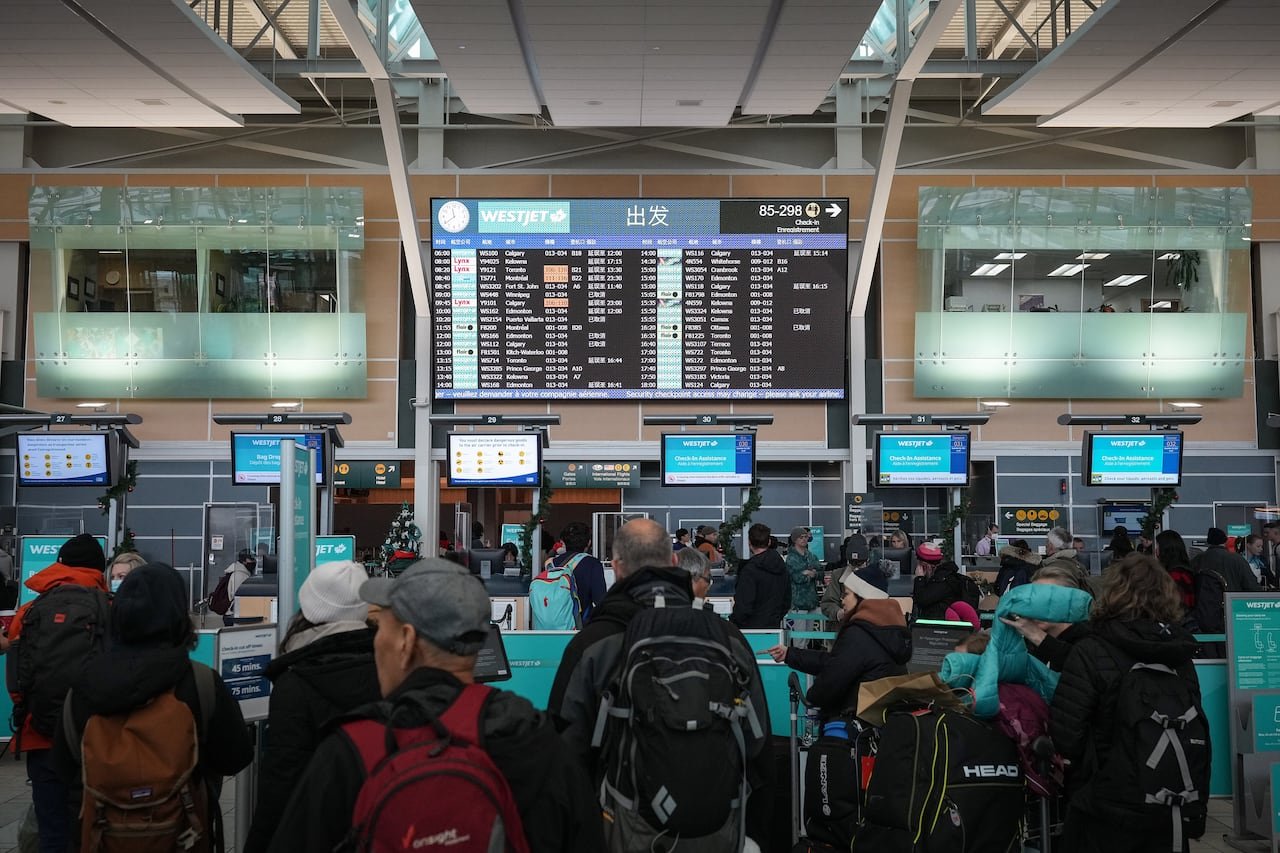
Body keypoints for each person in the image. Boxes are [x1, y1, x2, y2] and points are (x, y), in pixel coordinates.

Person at [268, 559, 604, 852]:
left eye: (381, 627)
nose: (375, 641)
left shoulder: (351, 751)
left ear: (407, 640)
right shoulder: (538, 740)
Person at [548, 519, 772, 848]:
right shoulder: (726, 638)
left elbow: (564, 758)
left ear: (617, 568)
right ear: (673, 563)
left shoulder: (594, 644)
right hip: (718, 829)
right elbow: (759, 747)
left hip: (628, 829)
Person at [53, 562, 253, 853]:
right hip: (182, 836)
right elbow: (236, 756)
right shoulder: (200, 684)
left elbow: (63, 767)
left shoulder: (81, 689)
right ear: (177, 615)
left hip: (101, 837)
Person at [1050, 554, 1205, 852]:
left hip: (1104, 802)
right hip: (1166, 799)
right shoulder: (1180, 653)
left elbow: (1067, 734)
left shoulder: (1092, 648)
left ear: (1112, 592)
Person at [244, 561, 381, 853]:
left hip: (316, 830)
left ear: (309, 607)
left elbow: (282, 780)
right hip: (380, 822)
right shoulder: (389, 667)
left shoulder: (295, 682)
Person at [5, 533, 108, 853]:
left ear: (59, 564)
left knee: (52, 831)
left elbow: (16, 675)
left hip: (41, 735)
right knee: (99, 828)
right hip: (99, 741)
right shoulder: (110, 608)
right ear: (99, 569)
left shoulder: (32, 610)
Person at [766, 571, 910, 719]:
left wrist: (812, 696)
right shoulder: (887, 631)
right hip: (879, 720)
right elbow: (836, 661)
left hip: (853, 722)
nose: (842, 600)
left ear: (862, 598)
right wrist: (790, 654)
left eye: (846, 594)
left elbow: (831, 681)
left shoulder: (859, 634)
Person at [1000, 563, 1093, 672]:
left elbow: (1084, 669)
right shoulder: (1026, 644)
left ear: (1070, 602)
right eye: (1034, 600)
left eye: (1048, 600)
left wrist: (1037, 636)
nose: (1038, 607)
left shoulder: (1090, 642)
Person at [730, 522, 791, 629]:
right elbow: (787, 600)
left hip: (750, 630)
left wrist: (736, 623)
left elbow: (743, 605)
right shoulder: (782, 567)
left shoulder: (749, 570)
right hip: (773, 627)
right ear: (769, 542)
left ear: (749, 542)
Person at [545, 521, 607, 622]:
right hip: (579, 627)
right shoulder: (592, 564)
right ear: (589, 542)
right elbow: (600, 601)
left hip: (550, 626)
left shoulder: (550, 564)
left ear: (563, 542)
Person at [820, 534, 883, 622]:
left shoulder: (875, 576)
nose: (856, 568)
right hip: (843, 627)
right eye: (853, 563)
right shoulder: (838, 575)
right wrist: (839, 613)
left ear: (867, 560)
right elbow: (827, 603)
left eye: (859, 563)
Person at [911, 542, 978, 620]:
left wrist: (919, 578)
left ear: (928, 566)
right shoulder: (944, 576)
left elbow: (922, 600)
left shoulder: (941, 580)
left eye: (921, 566)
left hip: (940, 626)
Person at [1192, 527, 1261, 592]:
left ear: (1209, 542)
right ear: (1225, 541)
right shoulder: (1237, 559)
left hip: (1205, 603)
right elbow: (1252, 586)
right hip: (1233, 602)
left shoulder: (1197, 559)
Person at [1154, 529, 1196, 615]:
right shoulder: (1184, 571)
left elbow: (1173, 605)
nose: (1156, 549)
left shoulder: (1175, 575)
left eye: (1158, 545)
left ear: (1165, 548)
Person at [785, 526, 821, 612]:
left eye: (806, 537)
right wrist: (811, 574)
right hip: (798, 603)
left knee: (811, 626)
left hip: (812, 601)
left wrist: (811, 573)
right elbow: (797, 578)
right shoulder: (791, 558)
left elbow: (821, 572)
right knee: (799, 626)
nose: (804, 539)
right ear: (795, 540)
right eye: (801, 537)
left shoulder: (811, 556)